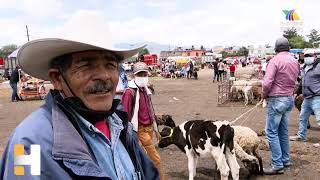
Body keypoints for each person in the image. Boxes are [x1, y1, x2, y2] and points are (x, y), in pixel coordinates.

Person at [0, 38, 159, 180]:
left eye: (110, 65)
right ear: (57, 79)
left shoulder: (122, 125)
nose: (104, 76)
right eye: (86, 66)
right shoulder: (28, 143)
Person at [262, 37, 300, 175]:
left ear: (276, 48)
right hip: (289, 98)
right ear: (288, 47)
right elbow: (297, 79)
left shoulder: (274, 61)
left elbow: (267, 83)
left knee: (271, 132)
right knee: (283, 132)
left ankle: (277, 164)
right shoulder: (294, 61)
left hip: (276, 99)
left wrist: (263, 95)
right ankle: (285, 159)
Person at [122, 62, 164, 180]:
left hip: (149, 128)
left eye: (145, 74)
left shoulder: (145, 90)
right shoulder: (130, 92)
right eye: (140, 74)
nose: (143, 76)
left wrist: (156, 130)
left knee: (145, 158)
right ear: (134, 75)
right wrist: (130, 134)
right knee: (156, 160)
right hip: (140, 130)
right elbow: (125, 115)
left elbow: (150, 111)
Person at [290, 50, 320, 142]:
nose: (307, 57)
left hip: (317, 97)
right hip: (306, 98)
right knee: (303, 117)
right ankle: (301, 135)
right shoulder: (304, 67)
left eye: (309, 55)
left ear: (314, 56)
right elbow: (302, 82)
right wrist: (296, 92)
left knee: (319, 118)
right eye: (305, 55)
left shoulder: (318, 66)